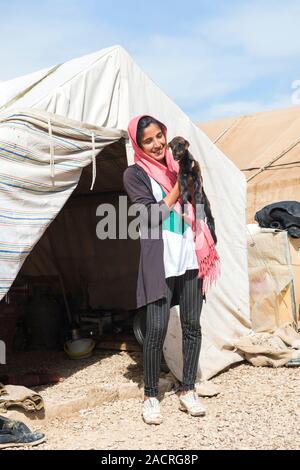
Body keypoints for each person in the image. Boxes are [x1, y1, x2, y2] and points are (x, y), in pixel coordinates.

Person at [123, 115, 219, 425]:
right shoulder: (134, 174)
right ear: (138, 144)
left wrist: (209, 238)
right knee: (156, 329)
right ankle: (151, 395)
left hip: (190, 254)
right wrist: (178, 187)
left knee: (192, 325)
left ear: (165, 134)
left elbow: (201, 203)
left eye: (158, 136)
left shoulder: (184, 164)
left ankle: (188, 389)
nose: (156, 144)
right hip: (160, 259)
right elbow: (151, 216)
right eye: (147, 140)